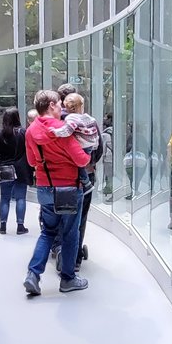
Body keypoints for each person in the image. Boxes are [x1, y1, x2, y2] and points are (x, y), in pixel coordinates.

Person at [22, 90, 89, 297]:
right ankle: (68, 279)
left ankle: (33, 275)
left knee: (48, 232)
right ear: (51, 105)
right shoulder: (63, 130)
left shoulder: (31, 131)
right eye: (59, 103)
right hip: (68, 189)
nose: (62, 107)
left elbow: (32, 162)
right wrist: (85, 152)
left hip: (44, 188)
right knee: (70, 233)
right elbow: (81, 160)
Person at [55, 84, 104, 269]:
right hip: (85, 175)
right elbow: (98, 148)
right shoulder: (88, 121)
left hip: (59, 177)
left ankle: (59, 250)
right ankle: (74, 258)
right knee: (80, 218)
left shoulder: (57, 122)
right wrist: (88, 162)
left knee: (58, 215)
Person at [0, 108, 30, 235]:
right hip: (20, 169)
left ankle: (3, 226)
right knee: (20, 198)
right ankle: (20, 226)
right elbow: (28, 151)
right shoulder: (23, 133)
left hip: (5, 169)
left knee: (4, 198)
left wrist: (1, 166)